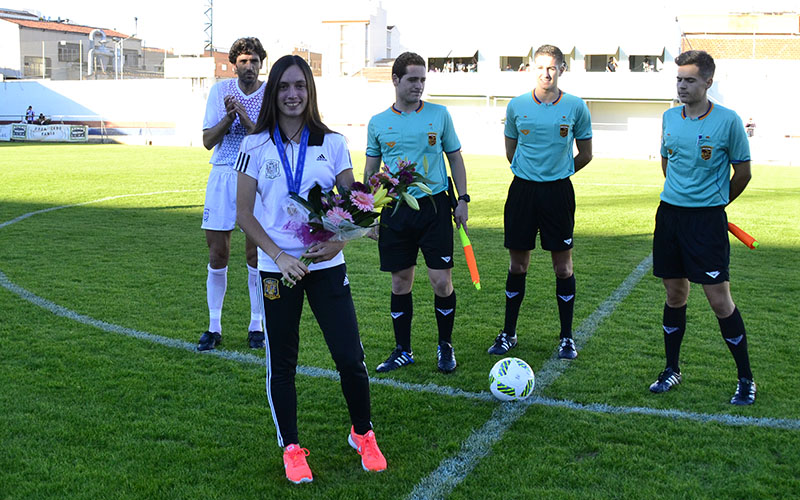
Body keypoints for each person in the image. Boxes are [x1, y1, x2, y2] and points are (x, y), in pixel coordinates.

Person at [235, 55, 387, 484]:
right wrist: (279, 256)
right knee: (282, 364)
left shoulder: (333, 142)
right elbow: (244, 213)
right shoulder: (254, 145)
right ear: (273, 92)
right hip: (278, 269)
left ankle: (362, 433)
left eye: (299, 86)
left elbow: (354, 204)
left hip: (327, 266)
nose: (292, 94)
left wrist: (340, 240)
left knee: (350, 357)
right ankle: (292, 448)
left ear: (309, 91)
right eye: (283, 87)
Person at [650, 50, 756, 405]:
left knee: (718, 299)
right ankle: (671, 369)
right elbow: (667, 161)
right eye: (679, 79)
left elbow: (743, 173)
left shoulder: (728, 121)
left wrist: (715, 203)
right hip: (670, 216)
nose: (682, 85)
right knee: (675, 294)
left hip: (707, 221)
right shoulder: (668, 117)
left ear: (708, 82)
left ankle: (745, 379)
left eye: (690, 80)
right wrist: (682, 197)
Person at [364, 51, 469, 374]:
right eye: (412, 79)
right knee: (400, 282)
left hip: (435, 206)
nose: (418, 85)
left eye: (422, 79)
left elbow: (455, 159)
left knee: (441, 282)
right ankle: (403, 349)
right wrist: (369, 214)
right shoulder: (379, 123)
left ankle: (445, 345)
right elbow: (370, 173)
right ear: (395, 80)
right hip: (396, 209)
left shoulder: (440, 115)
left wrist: (463, 198)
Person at [487, 44, 592, 360]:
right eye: (540, 67)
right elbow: (511, 151)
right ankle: (508, 333)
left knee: (562, 268)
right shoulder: (517, 106)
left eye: (552, 67)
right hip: (522, 192)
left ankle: (566, 338)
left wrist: (557, 173)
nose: (546, 73)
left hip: (557, 193)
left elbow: (585, 154)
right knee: (518, 264)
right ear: (532, 69)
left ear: (562, 68)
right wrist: (532, 174)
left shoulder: (576, 107)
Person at [198, 37, 267, 351]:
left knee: (255, 255)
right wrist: (228, 117)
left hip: (254, 174)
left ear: (261, 63)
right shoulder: (219, 91)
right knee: (218, 254)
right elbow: (208, 141)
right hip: (223, 173)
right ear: (233, 64)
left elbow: (267, 139)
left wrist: (243, 115)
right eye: (243, 61)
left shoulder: (270, 94)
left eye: (254, 61)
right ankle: (214, 326)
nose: (249, 67)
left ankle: (257, 324)